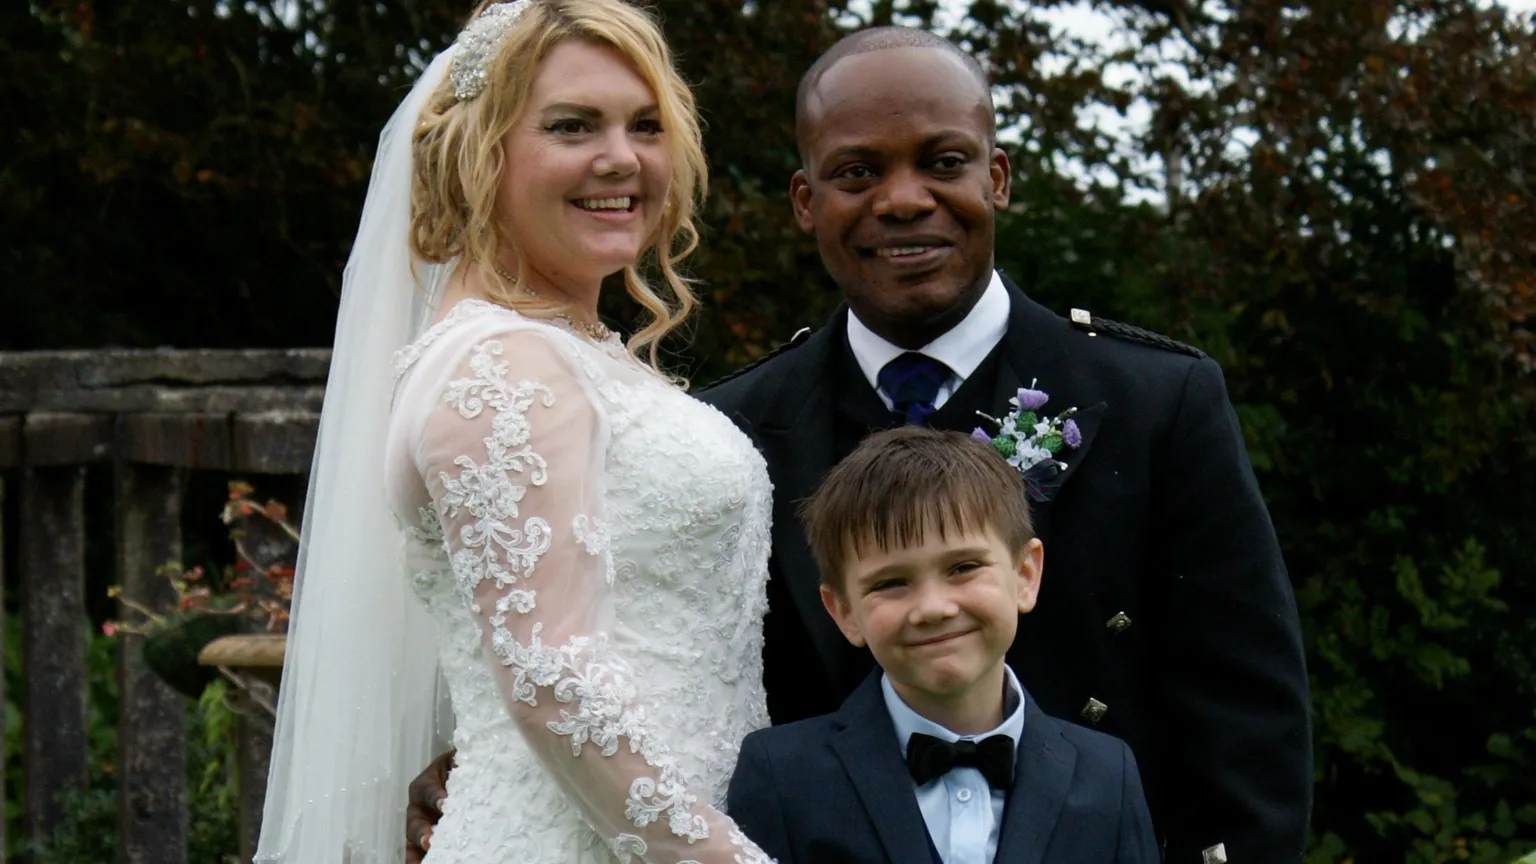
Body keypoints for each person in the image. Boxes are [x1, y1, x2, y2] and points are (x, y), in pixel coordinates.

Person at [409, 23, 1313, 864]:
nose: (905, 200)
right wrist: (507, 761)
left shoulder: (1159, 401)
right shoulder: (731, 427)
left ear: (997, 177)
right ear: (806, 201)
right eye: (857, 173)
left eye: (944, 162)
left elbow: (1249, 735)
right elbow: (624, 635)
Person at [257, 1, 776, 861]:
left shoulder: (568, 351)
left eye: (645, 125)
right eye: (573, 126)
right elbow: (553, 678)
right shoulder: (501, 366)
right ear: (480, 152)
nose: (622, 158)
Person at [727, 426, 1159, 864]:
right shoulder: (782, 776)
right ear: (843, 611)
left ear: (1025, 574)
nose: (933, 607)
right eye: (891, 583)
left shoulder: (1108, 775)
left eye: (964, 567)